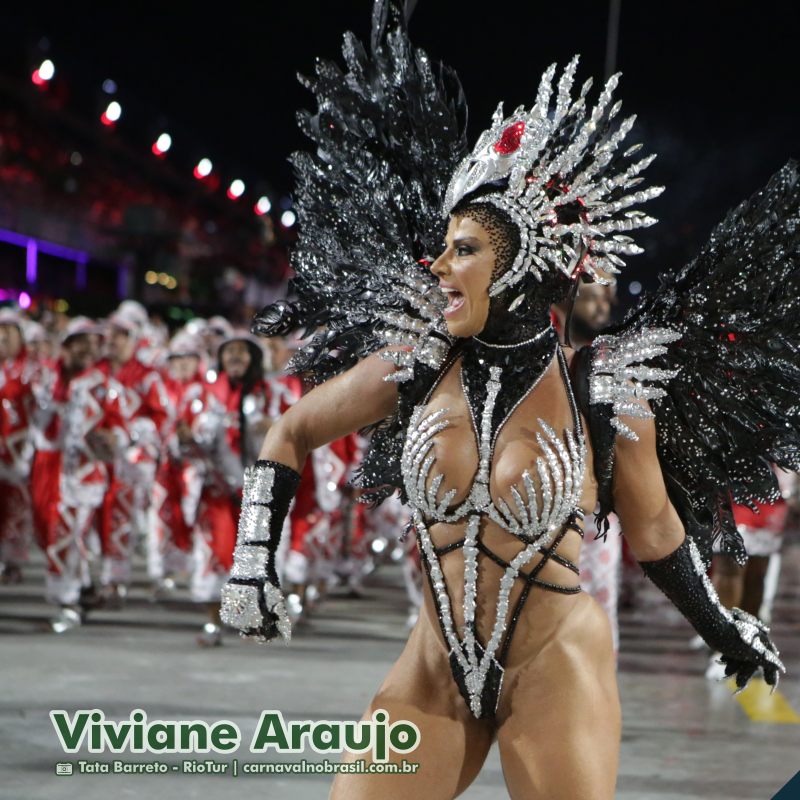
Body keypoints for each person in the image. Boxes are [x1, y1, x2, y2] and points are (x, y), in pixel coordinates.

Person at [220, 4, 790, 797]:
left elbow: (656, 531)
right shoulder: (413, 364)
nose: (438, 265)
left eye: (464, 250)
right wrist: (252, 564)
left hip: (553, 669)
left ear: (519, 267)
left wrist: (724, 630)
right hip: (433, 669)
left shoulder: (605, 389)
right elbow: (289, 431)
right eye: (442, 246)